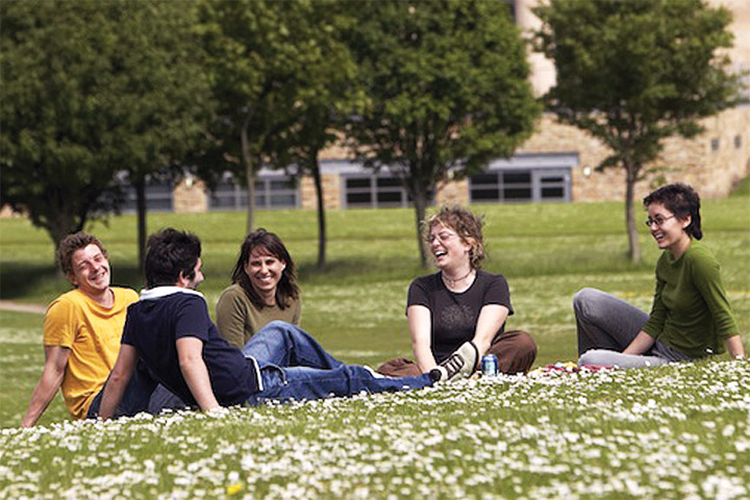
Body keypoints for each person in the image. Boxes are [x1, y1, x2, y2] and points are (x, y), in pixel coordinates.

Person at [99, 228, 472, 420]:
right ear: (183, 275)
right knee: (345, 382)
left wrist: (102, 422)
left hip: (244, 379)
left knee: (294, 346)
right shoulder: (189, 303)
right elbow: (189, 361)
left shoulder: (137, 309)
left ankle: (384, 377)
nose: (201, 274)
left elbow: (119, 375)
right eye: (196, 269)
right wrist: (213, 412)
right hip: (253, 387)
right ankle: (428, 381)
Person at [575, 183, 745, 368]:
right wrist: (623, 360)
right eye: (650, 221)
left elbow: (723, 315)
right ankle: (600, 369)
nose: (653, 228)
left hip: (676, 360)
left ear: (685, 220)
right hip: (659, 342)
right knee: (585, 300)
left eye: (660, 220)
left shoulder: (699, 261)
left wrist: (739, 367)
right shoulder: (666, 260)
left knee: (588, 360)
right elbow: (656, 321)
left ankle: (596, 365)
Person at [21, 233, 179, 427]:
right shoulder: (67, 306)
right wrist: (26, 427)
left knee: (185, 356)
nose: (95, 268)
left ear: (106, 259)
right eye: (84, 265)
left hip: (133, 391)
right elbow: (54, 369)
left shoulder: (129, 297)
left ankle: (217, 405)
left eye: (98, 259)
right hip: (98, 405)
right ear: (72, 277)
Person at [377, 206, 537, 378]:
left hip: (478, 364)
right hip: (436, 367)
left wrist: (461, 368)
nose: (435, 243)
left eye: (443, 237)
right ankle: (452, 379)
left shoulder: (494, 284)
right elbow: (421, 344)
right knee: (394, 369)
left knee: (522, 342)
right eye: (432, 239)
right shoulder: (421, 287)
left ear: (468, 243)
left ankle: (472, 378)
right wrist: (436, 377)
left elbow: (482, 340)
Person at [216, 229, 301, 349]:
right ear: (246, 268)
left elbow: (294, 348)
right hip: (250, 365)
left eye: (270, 262)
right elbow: (233, 358)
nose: (264, 270)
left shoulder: (292, 296)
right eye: (256, 264)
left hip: (284, 366)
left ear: (283, 263)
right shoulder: (234, 297)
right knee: (277, 328)